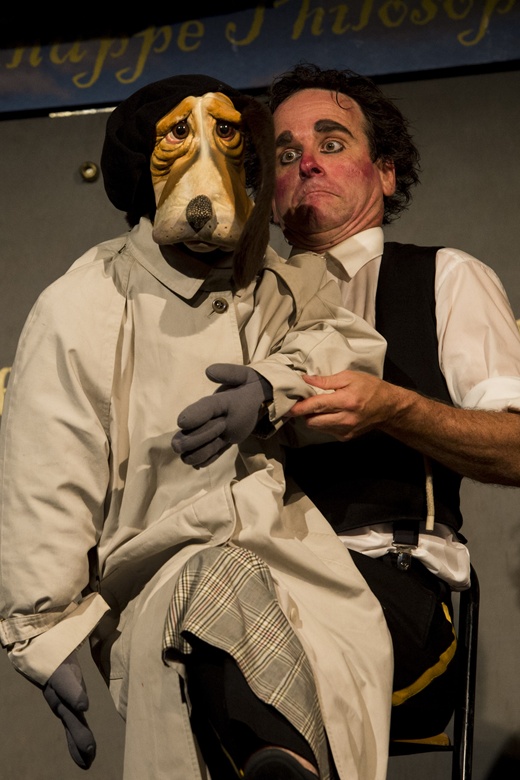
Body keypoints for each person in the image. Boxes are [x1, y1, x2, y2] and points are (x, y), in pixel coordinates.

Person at [0, 73, 393, 780]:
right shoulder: (83, 305)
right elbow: (45, 473)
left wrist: (273, 386)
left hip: (292, 563)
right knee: (208, 587)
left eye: (228, 139)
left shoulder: (267, 282)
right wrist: (41, 630)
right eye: (178, 136)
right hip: (154, 573)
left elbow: (344, 347)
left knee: (309, 663)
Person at [267, 62, 520, 744]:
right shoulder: (236, 309)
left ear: (385, 172)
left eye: (331, 142)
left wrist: (395, 410)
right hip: (256, 579)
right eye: (285, 154)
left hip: (392, 591)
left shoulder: (444, 277)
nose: (307, 162)